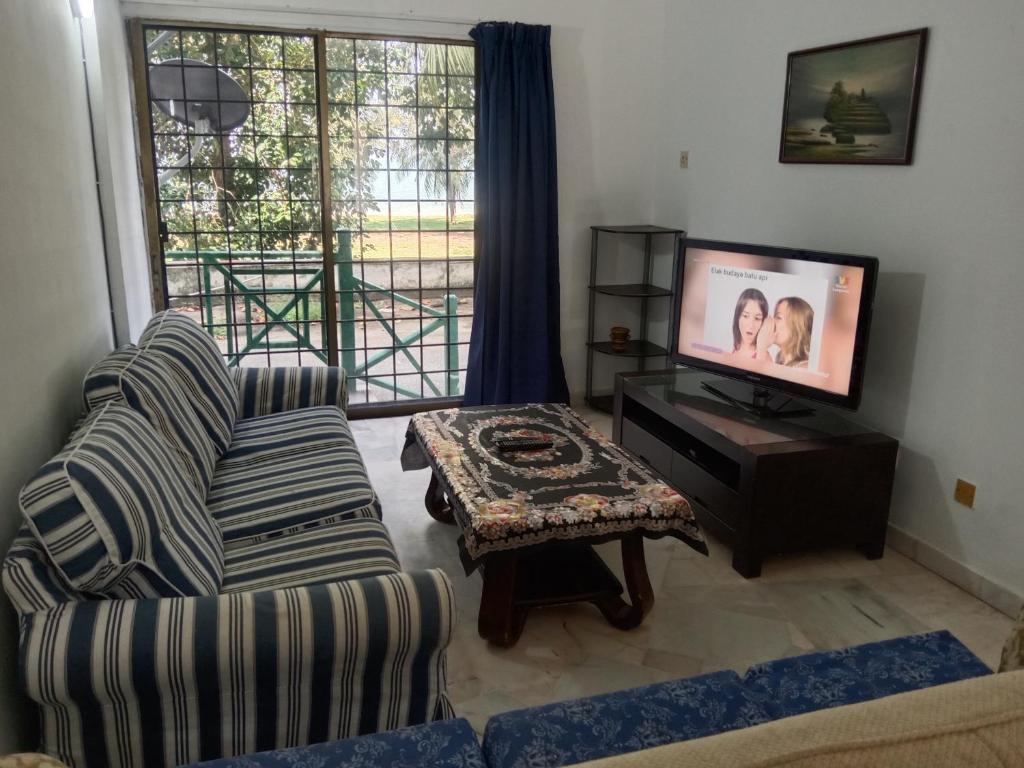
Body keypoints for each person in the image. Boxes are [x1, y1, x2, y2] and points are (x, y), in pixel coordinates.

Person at [764, 296, 813, 368]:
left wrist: (762, 348)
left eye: (778, 317)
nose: (772, 321)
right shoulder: (780, 361)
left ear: (795, 326)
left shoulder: (803, 368)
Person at [729, 288, 769, 359]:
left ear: (763, 322)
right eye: (745, 316)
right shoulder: (736, 347)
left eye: (757, 318)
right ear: (737, 317)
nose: (751, 325)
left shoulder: (764, 357)